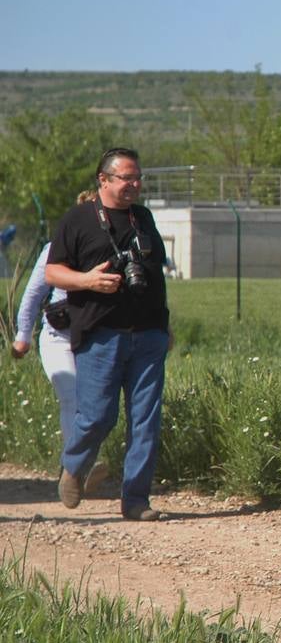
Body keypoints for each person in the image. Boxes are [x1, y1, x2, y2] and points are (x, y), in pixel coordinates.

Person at [45, 148, 172, 521]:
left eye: (138, 178)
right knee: (99, 416)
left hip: (148, 334)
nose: (134, 185)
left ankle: (136, 500)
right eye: (126, 178)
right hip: (101, 334)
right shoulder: (78, 220)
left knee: (145, 419)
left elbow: (156, 275)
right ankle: (74, 464)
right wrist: (88, 280)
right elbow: (53, 273)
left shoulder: (143, 218)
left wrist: (166, 327)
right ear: (104, 180)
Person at [11, 192, 110, 496]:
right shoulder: (54, 250)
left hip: (94, 337)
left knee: (97, 405)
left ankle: (83, 463)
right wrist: (23, 337)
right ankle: (76, 469)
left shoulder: (112, 249)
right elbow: (31, 297)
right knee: (72, 396)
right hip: (59, 338)